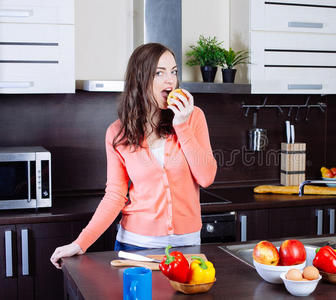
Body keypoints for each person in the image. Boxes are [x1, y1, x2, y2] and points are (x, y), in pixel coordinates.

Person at [50, 43, 217, 269]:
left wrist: (182, 125)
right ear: (140, 79)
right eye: (159, 73)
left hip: (186, 246)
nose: (170, 80)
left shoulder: (193, 117)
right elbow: (115, 196)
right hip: (137, 247)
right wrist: (81, 243)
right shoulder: (117, 133)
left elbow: (206, 177)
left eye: (174, 72)